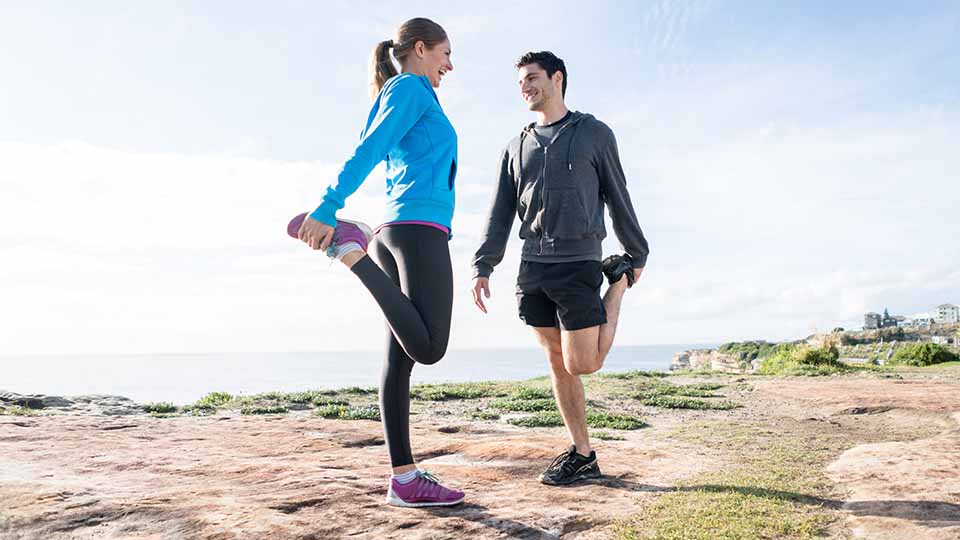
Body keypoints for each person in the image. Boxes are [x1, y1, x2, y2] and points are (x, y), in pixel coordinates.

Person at [289, 17, 463, 507]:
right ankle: (349, 252)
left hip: (396, 230)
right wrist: (327, 207)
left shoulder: (402, 91)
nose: (450, 64)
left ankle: (404, 479)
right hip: (416, 231)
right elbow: (369, 151)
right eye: (446, 53)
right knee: (429, 348)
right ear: (422, 49)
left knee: (399, 359)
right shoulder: (409, 87)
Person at [471, 51, 649, 486]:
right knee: (556, 361)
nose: (525, 88)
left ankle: (618, 286)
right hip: (533, 266)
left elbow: (617, 193)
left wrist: (635, 253)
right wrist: (484, 264)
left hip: (579, 262)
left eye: (532, 78)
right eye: (520, 83)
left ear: (557, 78)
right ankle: (582, 453)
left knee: (583, 363)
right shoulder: (515, 146)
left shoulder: (594, 134)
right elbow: (500, 212)